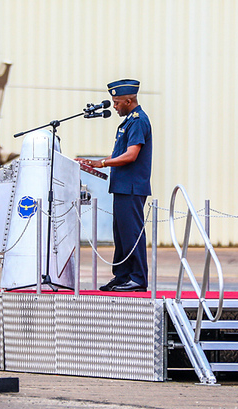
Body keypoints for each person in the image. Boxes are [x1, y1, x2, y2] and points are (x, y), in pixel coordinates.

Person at [75, 79, 152, 292]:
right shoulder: (128, 122)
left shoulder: (138, 121)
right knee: (121, 235)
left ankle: (137, 278)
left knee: (132, 234)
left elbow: (131, 155)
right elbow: (119, 154)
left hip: (132, 187)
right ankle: (122, 276)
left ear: (129, 101)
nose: (115, 106)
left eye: (117, 102)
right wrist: (94, 162)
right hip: (122, 187)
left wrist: (103, 163)